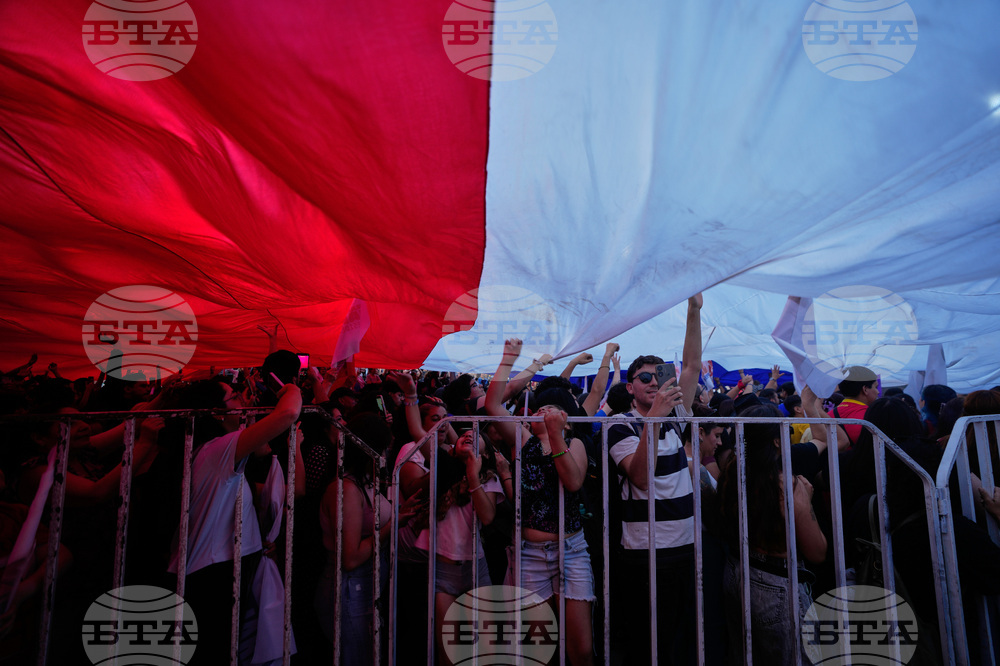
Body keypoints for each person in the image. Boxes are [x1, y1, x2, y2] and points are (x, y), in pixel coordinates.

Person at [165, 378, 302, 666]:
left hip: (222, 566)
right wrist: (293, 389)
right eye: (235, 397)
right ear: (216, 412)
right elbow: (288, 413)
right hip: (211, 573)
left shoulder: (210, 450)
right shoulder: (216, 449)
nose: (244, 402)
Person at [606, 293, 703, 664]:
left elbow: (692, 365)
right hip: (645, 553)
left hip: (684, 545)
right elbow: (640, 478)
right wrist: (655, 418)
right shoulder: (620, 425)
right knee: (648, 644)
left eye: (658, 376)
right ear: (630, 388)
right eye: (643, 377)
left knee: (680, 641)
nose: (652, 382)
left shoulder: (675, 414)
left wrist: (694, 310)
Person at [486, 338, 595, 666]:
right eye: (538, 409)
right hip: (530, 554)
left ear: (565, 418)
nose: (541, 412)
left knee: (581, 649)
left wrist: (556, 435)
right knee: (538, 648)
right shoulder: (523, 440)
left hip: (571, 551)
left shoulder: (575, 444)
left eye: (549, 409)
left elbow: (572, 481)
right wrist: (508, 360)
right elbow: (492, 405)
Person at [718, 405, 827, 664]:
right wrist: (806, 500)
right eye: (786, 430)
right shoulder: (786, 486)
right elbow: (817, 551)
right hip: (775, 585)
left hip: (737, 572)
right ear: (776, 440)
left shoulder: (731, 472)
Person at [315, 413, 422, 665]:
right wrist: (392, 525)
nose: (386, 455)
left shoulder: (364, 482)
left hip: (364, 585)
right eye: (383, 448)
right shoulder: (347, 489)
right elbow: (350, 558)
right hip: (349, 588)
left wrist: (400, 515)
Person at [829, 366, 879, 449]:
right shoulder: (873, 415)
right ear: (865, 389)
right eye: (876, 387)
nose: (878, 392)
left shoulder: (828, 416)